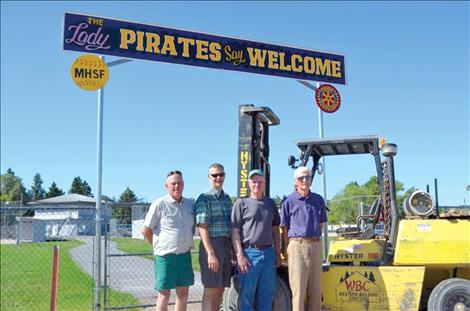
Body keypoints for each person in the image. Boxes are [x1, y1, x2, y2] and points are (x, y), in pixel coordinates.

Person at [141, 170, 195, 311]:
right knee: (164, 295)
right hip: (165, 257)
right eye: (173, 183)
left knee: (183, 294)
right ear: (166, 186)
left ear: (183, 184)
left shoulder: (190, 204)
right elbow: (146, 230)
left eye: (179, 183)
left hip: (184, 256)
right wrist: (157, 245)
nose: (177, 186)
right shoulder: (159, 204)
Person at [231, 169, 281, 311]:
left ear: (264, 183)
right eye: (254, 181)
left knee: (267, 294)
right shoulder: (241, 203)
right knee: (247, 294)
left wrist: (277, 253)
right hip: (249, 254)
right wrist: (239, 256)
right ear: (248, 183)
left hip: (268, 253)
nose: (257, 184)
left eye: (260, 181)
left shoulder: (270, 204)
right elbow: (234, 232)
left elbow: (276, 230)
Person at [280, 166, 327, 311]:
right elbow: (284, 227)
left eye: (307, 177)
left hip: (316, 245)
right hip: (298, 246)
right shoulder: (289, 201)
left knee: (315, 288)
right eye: (301, 178)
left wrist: (315, 240)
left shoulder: (318, 200)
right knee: (298, 290)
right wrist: (288, 248)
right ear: (296, 181)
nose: (305, 180)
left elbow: (320, 224)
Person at [195, 163, 233, 311]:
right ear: (209, 177)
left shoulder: (227, 198)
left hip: (225, 245)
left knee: (220, 288)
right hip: (211, 245)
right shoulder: (204, 198)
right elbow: (202, 226)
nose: (218, 178)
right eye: (214, 175)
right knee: (210, 289)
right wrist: (210, 253)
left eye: (221, 175)